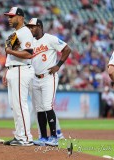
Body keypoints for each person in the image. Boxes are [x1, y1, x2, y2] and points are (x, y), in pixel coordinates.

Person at [26, 18, 71, 146]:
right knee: (39, 109)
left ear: (39, 26)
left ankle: (54, 137)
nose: (30, 29)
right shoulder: (30, 42)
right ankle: (44, 138)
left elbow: (67, 49)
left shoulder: (50, 38)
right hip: (35, 77)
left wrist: (58, 65)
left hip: (48, 76)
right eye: (29, 27)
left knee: (47, 106)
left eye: (32, 27)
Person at [3, 7, 35, 146]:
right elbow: (13, 54)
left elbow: (29, 53)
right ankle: (19, 135)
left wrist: (9, 51)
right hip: (13, 69)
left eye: (12, 16)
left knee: (20, 105)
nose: (9, 19)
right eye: (8, 16)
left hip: (21, 70)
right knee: (14, 106)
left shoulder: (25, 32)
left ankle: (26, 137)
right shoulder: (17, 33)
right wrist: (7, 70)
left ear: (21, 17)